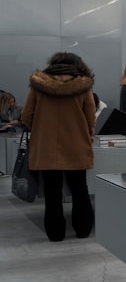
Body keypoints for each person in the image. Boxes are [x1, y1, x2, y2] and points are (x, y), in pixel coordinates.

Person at [20, 52, 97, 241]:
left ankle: (55, 233)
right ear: (77, 65)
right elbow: (90, 117)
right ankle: (83, 230)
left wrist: (41, 129)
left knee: (51, 191)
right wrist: (86, 133)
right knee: (80, 187)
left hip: (46, 147)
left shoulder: (39, 87)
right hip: (77, 144)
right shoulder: (83, 87)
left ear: (53, 65)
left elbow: (26, 116)